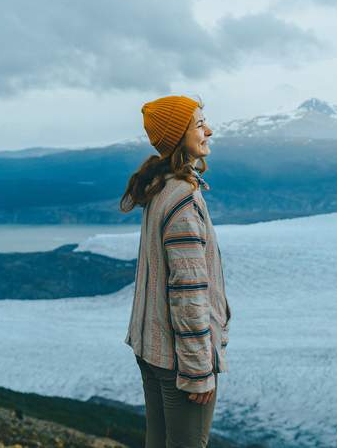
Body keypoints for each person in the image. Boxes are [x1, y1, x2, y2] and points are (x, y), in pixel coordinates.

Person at [120, 95, 232, 447]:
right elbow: (189, 290)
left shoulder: (159, 188)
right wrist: (199, 370)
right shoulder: (182, 198)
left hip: (151, 348)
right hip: (179, 359)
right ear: (177, 136)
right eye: (199, 124)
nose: (208, 130)